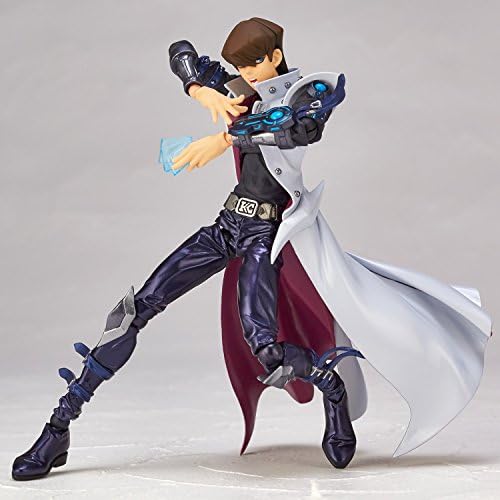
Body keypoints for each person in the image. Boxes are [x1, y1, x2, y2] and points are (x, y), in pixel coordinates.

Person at [12, 17, 492, 481]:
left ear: (275, 56)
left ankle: (331, 387)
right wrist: (202, 91)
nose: (244, 76)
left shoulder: (309, 93)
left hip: (267, 234)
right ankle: (58, 428)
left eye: (252, 66)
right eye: (239, 68)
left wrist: (223, 136)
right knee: (132, 312)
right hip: (228, 224)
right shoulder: (243, 89)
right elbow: (181, 54)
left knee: (266, 348)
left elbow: (289, 128)